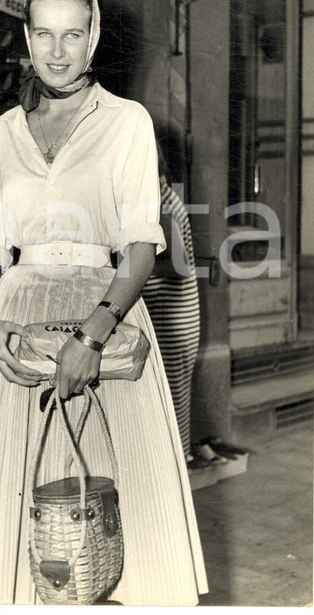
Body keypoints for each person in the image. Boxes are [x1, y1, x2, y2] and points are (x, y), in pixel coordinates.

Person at [0, 0, 208, 605]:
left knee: (103, 521)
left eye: (73, 33)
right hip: (15, 327)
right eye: (43, 33)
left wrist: (91, 337)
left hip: (102, 322)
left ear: (93, 37)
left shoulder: (127, 123)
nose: (57, 49)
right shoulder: (3, 133)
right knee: (15, 527)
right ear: (26, 36)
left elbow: (141, 246)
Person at [141, 142, 201, 465]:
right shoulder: (161, 196)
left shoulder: (160, 202)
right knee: (172, 405)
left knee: (172, 407)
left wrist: (129, 268)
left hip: (173, 322)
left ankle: (176, 479)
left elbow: (178, 267)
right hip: (175, 320)